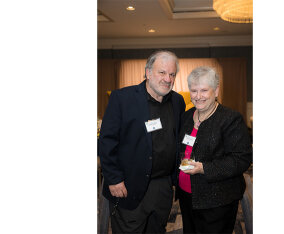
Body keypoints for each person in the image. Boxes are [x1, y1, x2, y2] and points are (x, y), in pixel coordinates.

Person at [99, 50, 185, 233]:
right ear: (148, 72)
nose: (168, 79)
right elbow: (106, 142)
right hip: (128, 186)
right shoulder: (122, 98)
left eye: (172, 74)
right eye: (162, 73)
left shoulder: (177, 101)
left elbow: (177, 141)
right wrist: (114, 179)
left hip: (163, 187)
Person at [177, 66, 253, 234]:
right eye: (194, 90)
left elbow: (241, 159)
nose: (198, 96)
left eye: (204, 90)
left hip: (218, 199)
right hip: (187, 195)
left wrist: (204, 168)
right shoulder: (186, 117)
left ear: (216, 90)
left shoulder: (230, 119)